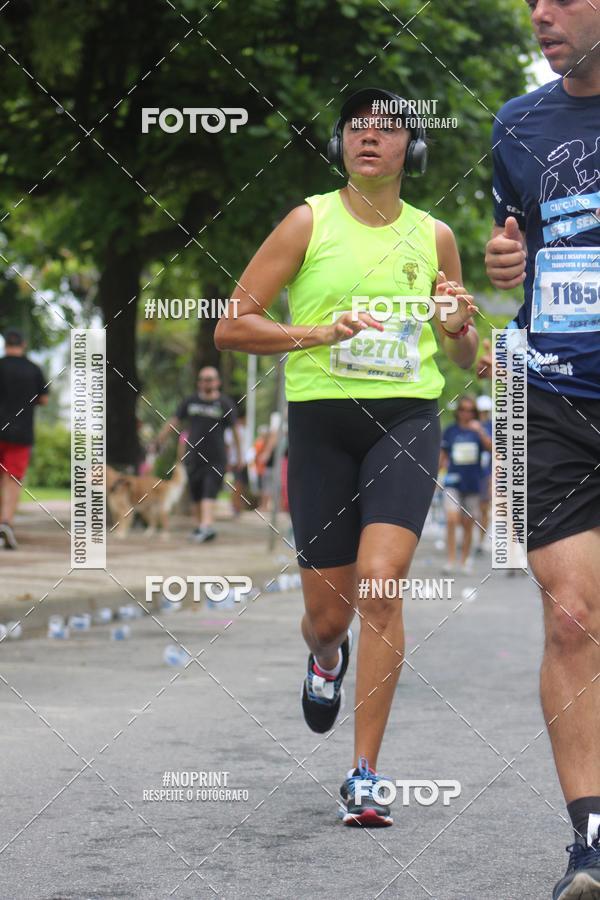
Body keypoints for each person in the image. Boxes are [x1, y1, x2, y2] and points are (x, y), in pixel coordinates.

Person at [215, 87, 480, 827]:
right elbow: (232, 327)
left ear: (410, 150)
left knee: (382, 586)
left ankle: (365, 774)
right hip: (323, 427)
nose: (369, 136)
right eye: (356, 126)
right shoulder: (308, 221)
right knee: (328, 618)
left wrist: (459, 328)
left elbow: (463, 356)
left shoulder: (435, 236)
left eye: (387, 128)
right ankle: (325, 659)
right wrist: (319, 333)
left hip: (406, 419)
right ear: (339, 145)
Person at [484, 3, 600, 895]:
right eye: (531, 0)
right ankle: (590, 841)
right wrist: (502, 263)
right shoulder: (516, 124)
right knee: (570, 616)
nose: (539, 14)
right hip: (551, 392)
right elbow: (515, 239)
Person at [156, 366, 242, 543]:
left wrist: (239, 455)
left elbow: (235, 431)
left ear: (217, 382)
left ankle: (206, 526)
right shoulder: (190, 401)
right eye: (202, 379)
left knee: (209, 491)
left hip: (216, 457)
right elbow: (174, 421)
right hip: (193, 456)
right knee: (196, 494)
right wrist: (159, 439)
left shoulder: (225, 403)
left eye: (209, 379)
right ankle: (201, 527)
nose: (205, 383)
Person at [0, 328, 49, 550]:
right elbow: (44, 399)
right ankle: (6, 522)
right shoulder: (34, 370)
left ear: (5, 345)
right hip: (21, 433)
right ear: (24, 344)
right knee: (13, 478)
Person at [439, 395, 492, 574]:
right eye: (462, 409)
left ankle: (464, 560)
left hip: (473, 483)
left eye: (470, 410)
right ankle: (450, 560)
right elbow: (443, 455)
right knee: (451, 519)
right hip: (452, 481)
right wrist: (434, 477)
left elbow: (492, 449)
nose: (466, 413)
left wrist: (480, 431)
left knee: (468, 523)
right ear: (458, 411)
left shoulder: (480, 430)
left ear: (475, 413)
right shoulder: (450, 430)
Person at [475, 394, 493, 555]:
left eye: (485, 411)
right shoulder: (469, 424)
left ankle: (481, 540)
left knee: (484, 508)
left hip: (487, 473)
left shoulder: (492, 426)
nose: (483, 414)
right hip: (471, 472)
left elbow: (493, 447)